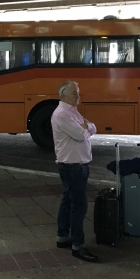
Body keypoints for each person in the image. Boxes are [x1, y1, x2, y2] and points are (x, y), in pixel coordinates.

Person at [51, 80, 99, 262]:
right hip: (73, 167)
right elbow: (81, 134)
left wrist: (87, 127)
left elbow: (91, 126)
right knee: (79, 206)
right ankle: (78, 245)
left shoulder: (71, 111)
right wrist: (87, 128)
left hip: (75, 165)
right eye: (74, 93)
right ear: (62, 95)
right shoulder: (62, 114)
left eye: (78, 93)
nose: (78, 96)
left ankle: (62, 236)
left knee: (68, 201)